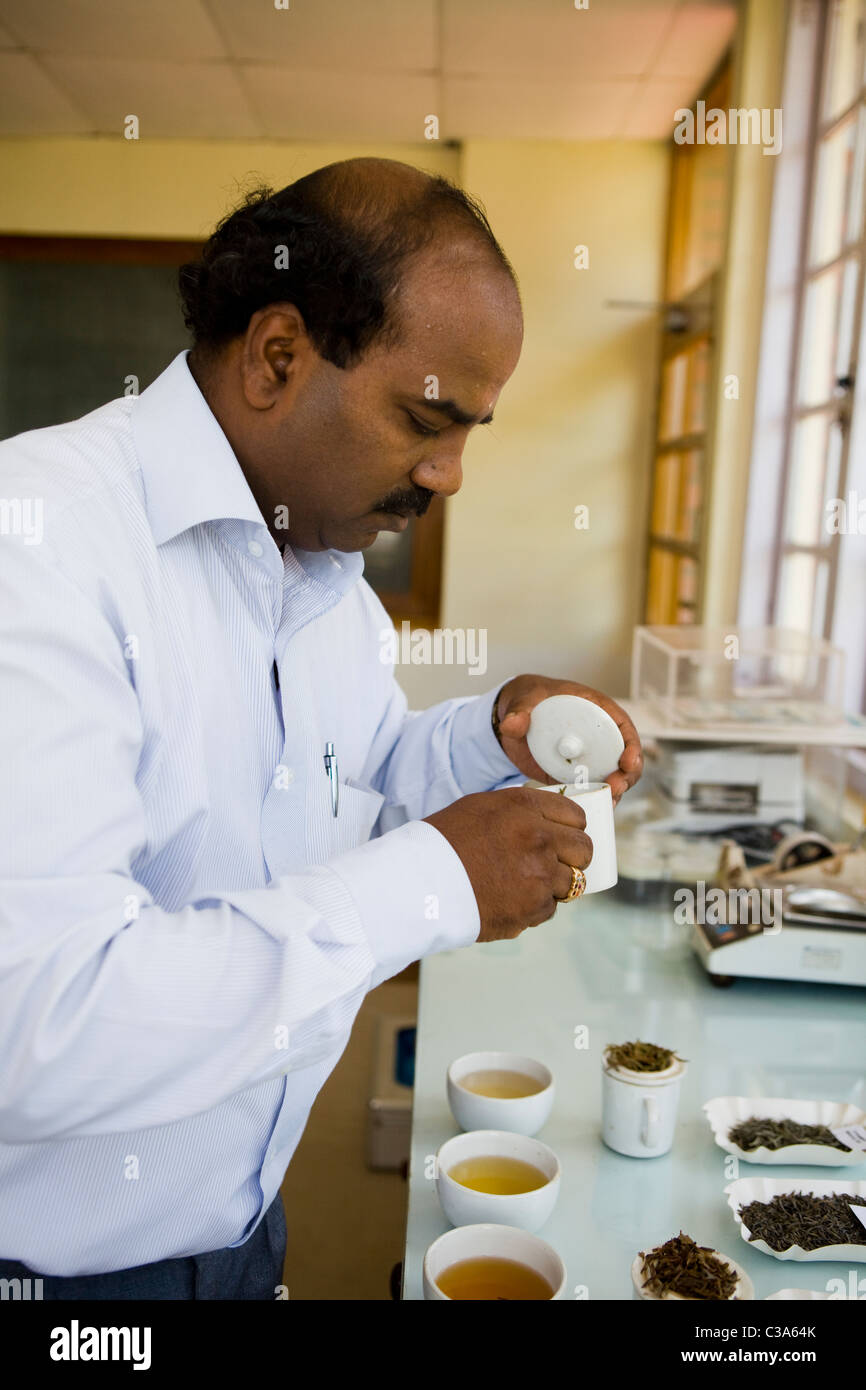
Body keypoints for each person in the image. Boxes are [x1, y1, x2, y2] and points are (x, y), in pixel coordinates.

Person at [0, 158, 641, 1299]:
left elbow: (353, 781)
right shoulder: (39, 548)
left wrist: (491, 738)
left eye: (472, 431)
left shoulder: (319, 568)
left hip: (241, 1234)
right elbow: (42, 1023)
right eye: (426, 417)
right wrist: (439, 878)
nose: (448, 474)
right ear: (277, 355)